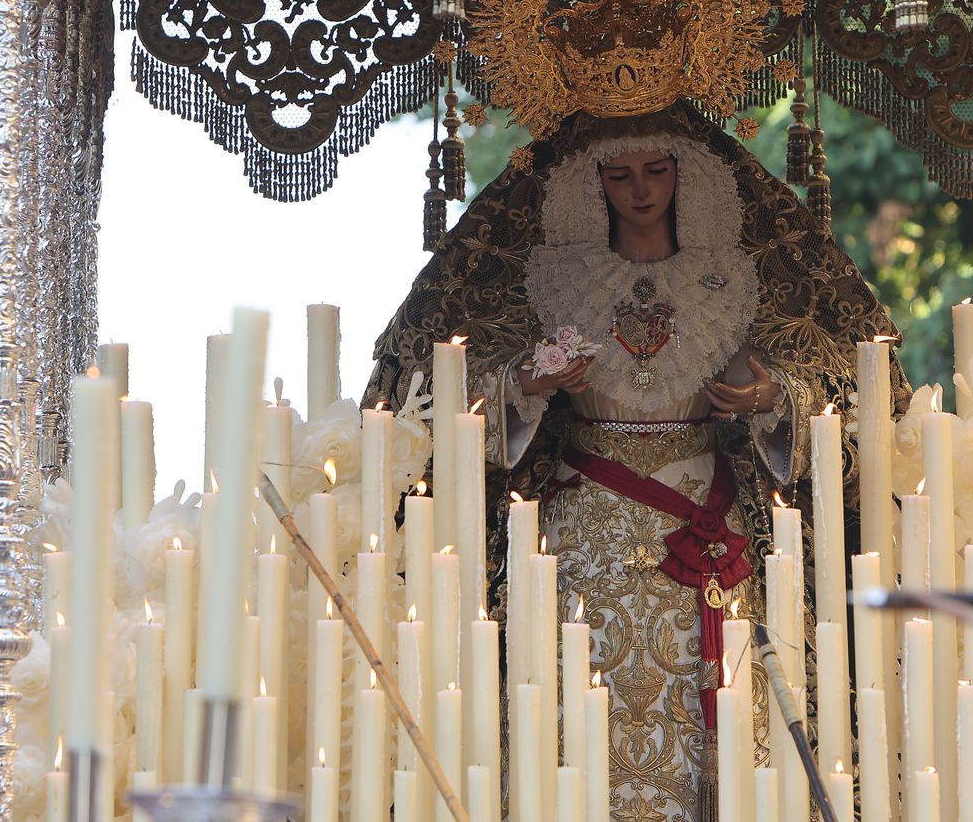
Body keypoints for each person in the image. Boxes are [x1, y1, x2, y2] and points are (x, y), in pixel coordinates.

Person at [365, 102, 903, 821]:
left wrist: (769, 393)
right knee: (565, 705)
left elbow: (844, 379)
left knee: (724, 714)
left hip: (712, 532)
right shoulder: (551, 278)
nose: (640, 190)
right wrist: (528, 380)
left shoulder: (735, 277)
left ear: (689, 177)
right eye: (618, 174)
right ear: (593, 186)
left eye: (656, 170)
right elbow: (431, 390)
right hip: (581, 537)